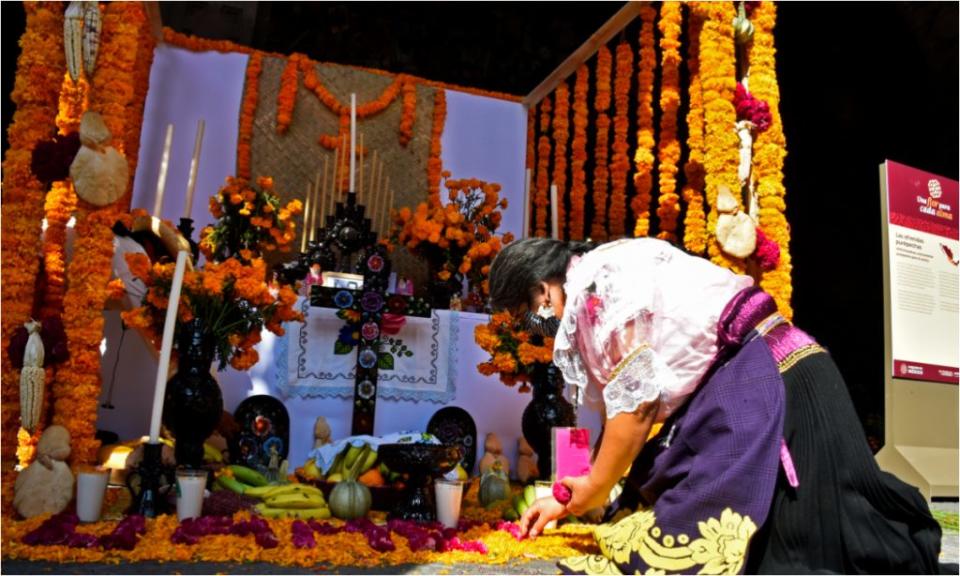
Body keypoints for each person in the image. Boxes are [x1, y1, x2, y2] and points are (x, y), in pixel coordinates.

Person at [488, 237, 948, 575]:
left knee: (701, 543)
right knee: (827, 538)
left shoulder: (593, 287)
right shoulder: (609, 263)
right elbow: (628, 400)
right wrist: (587, 484)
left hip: (769, 383)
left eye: (529, 312)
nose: (539, 326)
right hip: (795, 367)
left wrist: (589, 487)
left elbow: (636, 404)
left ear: (543, 291)